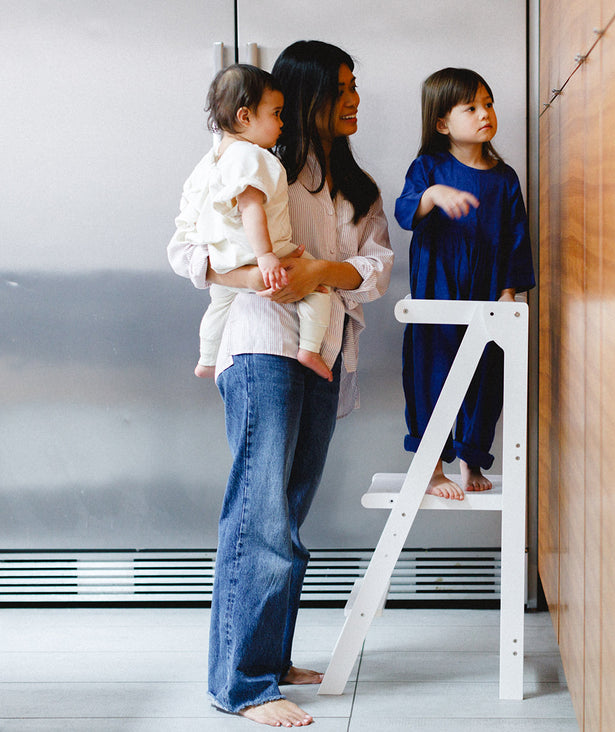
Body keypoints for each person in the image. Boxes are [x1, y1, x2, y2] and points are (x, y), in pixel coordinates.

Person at [167, 41, 393, 727]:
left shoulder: (357, 185)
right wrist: (257, 276)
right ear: (305, 94)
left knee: (285, 517)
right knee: (259, 518)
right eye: (344, 87)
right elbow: (185, 250)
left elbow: (377, 264)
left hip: (322, 352)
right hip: (263, 349)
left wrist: (320, 274)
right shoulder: (252, 163)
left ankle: (269, 658)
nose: (355, 99)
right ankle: (242, 684)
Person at [394, 67, 535, 501]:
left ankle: (471, 458)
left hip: (487, 287)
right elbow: (403, 212)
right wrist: (432, 195)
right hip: (438, 288)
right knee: (432, 374)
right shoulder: (429, 167)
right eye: (470, 107)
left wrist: (509, 291)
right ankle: (433, 466)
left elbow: (516, 239)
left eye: (488, 104)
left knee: (485, 375)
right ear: (442, 123)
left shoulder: (504, 177)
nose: (484, 114)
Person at [172, 64, 332, 381]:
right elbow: (251, 207)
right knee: (318, 289)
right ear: (245, 117)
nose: (282, 123)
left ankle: (206, 359)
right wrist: (266, 256)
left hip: (224, 257)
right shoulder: (250, 156)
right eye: (276, 113)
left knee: (219, 303)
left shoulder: (213, 160)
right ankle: (310, 349)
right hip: (257, 252)